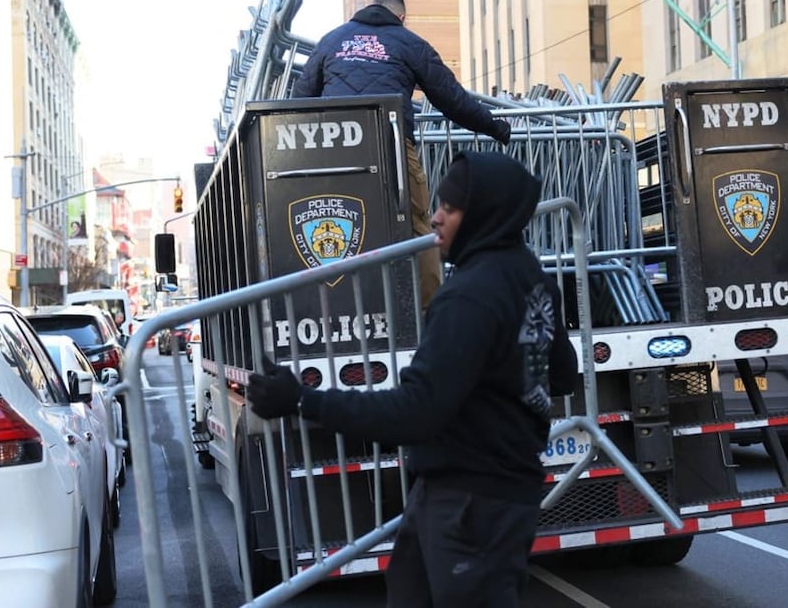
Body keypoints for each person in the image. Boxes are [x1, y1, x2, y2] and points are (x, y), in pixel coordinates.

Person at [247, 150, 579, 606]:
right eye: (438, 204)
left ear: (484, 212)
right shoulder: (530, 276)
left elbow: (415, 413)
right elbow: (560, 376)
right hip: (482, 493)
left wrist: (303, 400)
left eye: (450, 207)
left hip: (470, 504)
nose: (436, 218)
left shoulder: (470, 296)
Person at [292, 0, 512, 309]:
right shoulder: (409, 43)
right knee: (419, 225)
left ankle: (347, 309)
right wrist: (496, 127)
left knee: (343, 224)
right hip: (391, 148)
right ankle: (431, 311)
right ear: (401, 17)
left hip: (335, 153)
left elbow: (299, 100)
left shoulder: (331, 41)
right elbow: (452, 99)